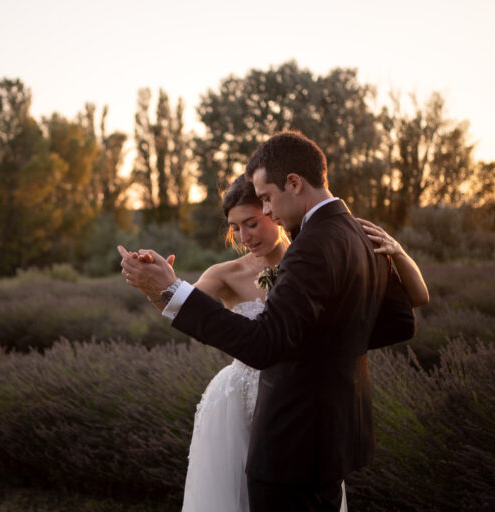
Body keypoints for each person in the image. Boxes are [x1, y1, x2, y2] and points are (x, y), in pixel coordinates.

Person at [118, 131, 418, 512]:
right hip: (337, 435)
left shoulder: (310, 245)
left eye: (265, 199)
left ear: (293, 183)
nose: (269, 211)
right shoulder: (362, 232)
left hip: (293, 441)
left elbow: (264, 345)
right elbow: (398, 323)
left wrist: (171, 290)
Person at [176, 176, 428, 512]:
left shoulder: (315, 257)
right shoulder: (226, 273)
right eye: (235, 228)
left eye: (251, 223)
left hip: (307, 403)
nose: (244, 237)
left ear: (273, 213)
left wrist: (399, 253)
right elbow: (186, 308)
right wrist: (163, 286)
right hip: (240, 399)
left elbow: (415, 301)